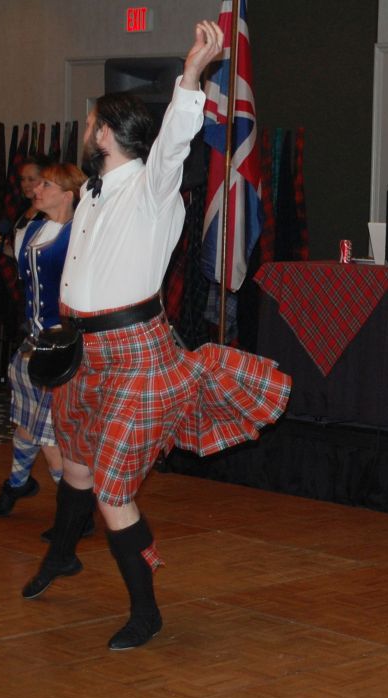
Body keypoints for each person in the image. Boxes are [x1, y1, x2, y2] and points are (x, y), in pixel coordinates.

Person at [20, 20, 291, 652]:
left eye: (90, 124)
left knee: (113, 486)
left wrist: (193, 76)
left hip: (138, 358)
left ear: (107, 134)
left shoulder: (151, 188)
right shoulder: (88, 194)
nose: (84, 131)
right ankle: (63, 555)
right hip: (82, 353)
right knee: (78, 468)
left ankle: (146, 612)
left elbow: (172, 143)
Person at [0, 163, 92, 529]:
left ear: (68, 194)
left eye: (46, 184)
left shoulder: (80, 236)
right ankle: (18, 483)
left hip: (62, 348)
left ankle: (74, 514)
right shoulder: (31, 229)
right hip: (32, 343)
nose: (36, 189)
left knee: (48, 434)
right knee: (26, 425)